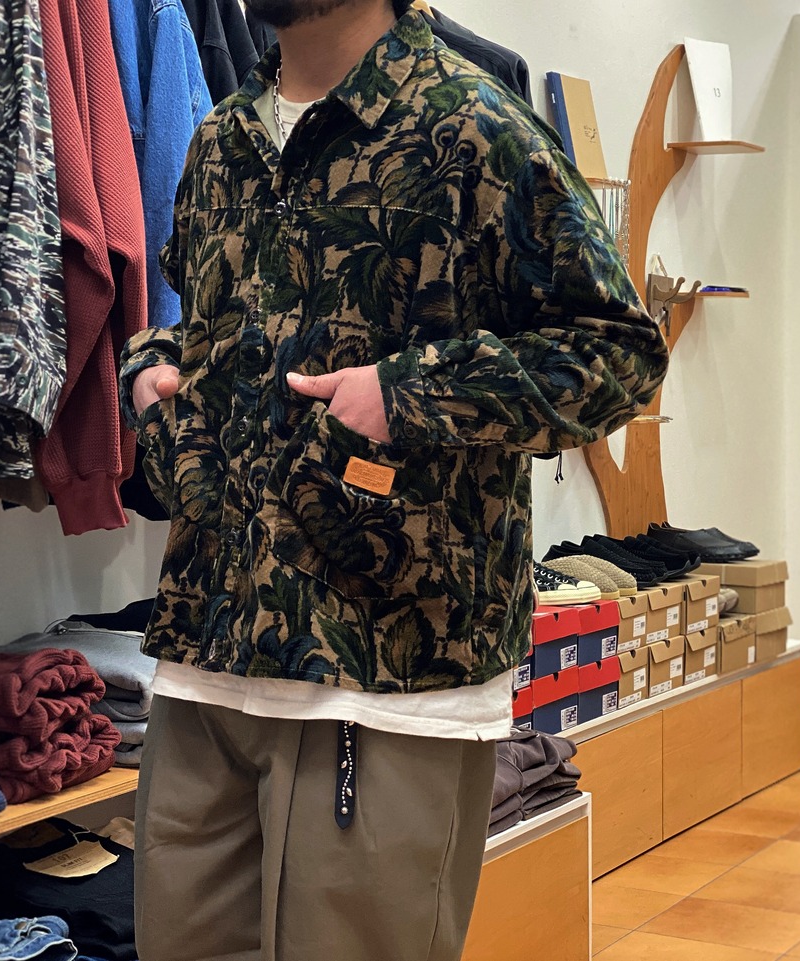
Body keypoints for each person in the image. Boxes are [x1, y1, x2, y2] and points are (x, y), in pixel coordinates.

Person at [118, 1, 670, 957]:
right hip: (206, 654)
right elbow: (217, 325)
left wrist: (409, 393)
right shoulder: (222, 141)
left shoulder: (472, 126)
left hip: (387, 670)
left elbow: (618, 351)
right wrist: (154, 369)